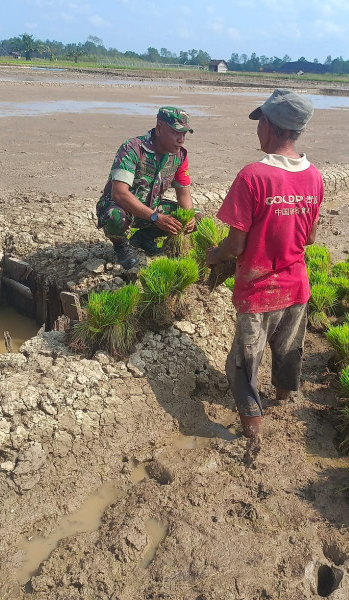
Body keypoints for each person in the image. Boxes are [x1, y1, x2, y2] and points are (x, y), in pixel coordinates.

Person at [206, 89, 323, 461]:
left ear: (269, 126)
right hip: (297, 285)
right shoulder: (315, 176)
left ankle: (253, 430)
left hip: (259, 290)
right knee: (288, 350)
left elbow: (236, 245)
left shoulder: (253, 176)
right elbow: (310, 238)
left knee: (243, 362)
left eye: (260, 122)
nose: (258, 129)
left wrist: (213, 256)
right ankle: (285, 399)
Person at [96, 107, 197, 269]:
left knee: (197, 216)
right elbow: (119, 193)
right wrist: (156, 218)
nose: (181, 139)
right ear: (159, 129)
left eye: (184, 134)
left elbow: (183, 193)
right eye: (176, 133)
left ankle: (144, 237)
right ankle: (121, 245)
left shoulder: (179, 156)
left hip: (152, 209)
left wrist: (189, 218)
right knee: (116, 216)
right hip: (124, 208)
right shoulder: (133, 149)